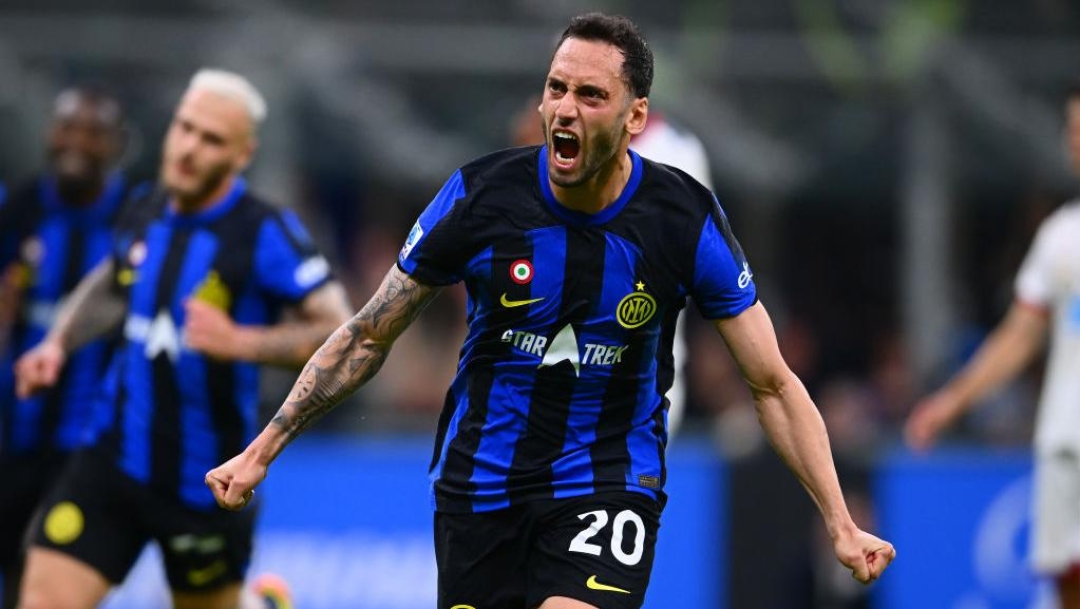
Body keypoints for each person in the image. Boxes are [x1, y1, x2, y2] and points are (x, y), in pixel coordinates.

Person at [207, 13, 895, 609]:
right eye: (556, 88)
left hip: (607, 480)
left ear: (635, 118)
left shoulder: (682, 218)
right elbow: (367, 334)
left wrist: (837, 519)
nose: (565, 108)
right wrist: (263, 449)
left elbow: (771, 380)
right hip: (480, 482)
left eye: (591, 95)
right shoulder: (480, 198)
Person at [13, 69, 351, 609]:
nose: (190, 148)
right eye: (185, 128)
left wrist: (239, 341)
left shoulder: (264, 231)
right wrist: (58, 342)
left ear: (243, 154)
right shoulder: (146, 206)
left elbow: (342, 335)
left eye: (212, 139)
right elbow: (112, 281)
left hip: (206, 482)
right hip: (110, 462)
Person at [904, 84, 1080, 609]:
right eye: (1071, 131)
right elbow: (1018, 338)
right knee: (1067, 586)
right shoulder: (1061, 237)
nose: (1075, 142)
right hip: (1068, 442)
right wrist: (949, 402)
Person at [0, 87, 133, 609]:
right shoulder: (20, 209)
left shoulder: (134, 219)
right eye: (67, 128)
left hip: (91, 443)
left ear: (117, 145)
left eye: (93, 132)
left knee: (57, 574)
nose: (78, 142)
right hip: (14, 435)